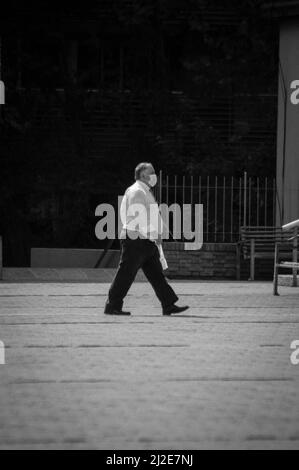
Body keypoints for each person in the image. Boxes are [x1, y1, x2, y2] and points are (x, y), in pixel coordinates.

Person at [104, 162, 189, 316]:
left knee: (156, 274)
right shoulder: (137, 191)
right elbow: (139, 217)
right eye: (152, 172)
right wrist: (154, 233)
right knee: (126, 274)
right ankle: (112, 306)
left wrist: (161, 231)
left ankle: (168, 304)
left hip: (144, 240)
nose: (154, 175)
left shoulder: (144, 191)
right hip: (136, 240)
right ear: (143, 175)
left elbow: (151, 215)